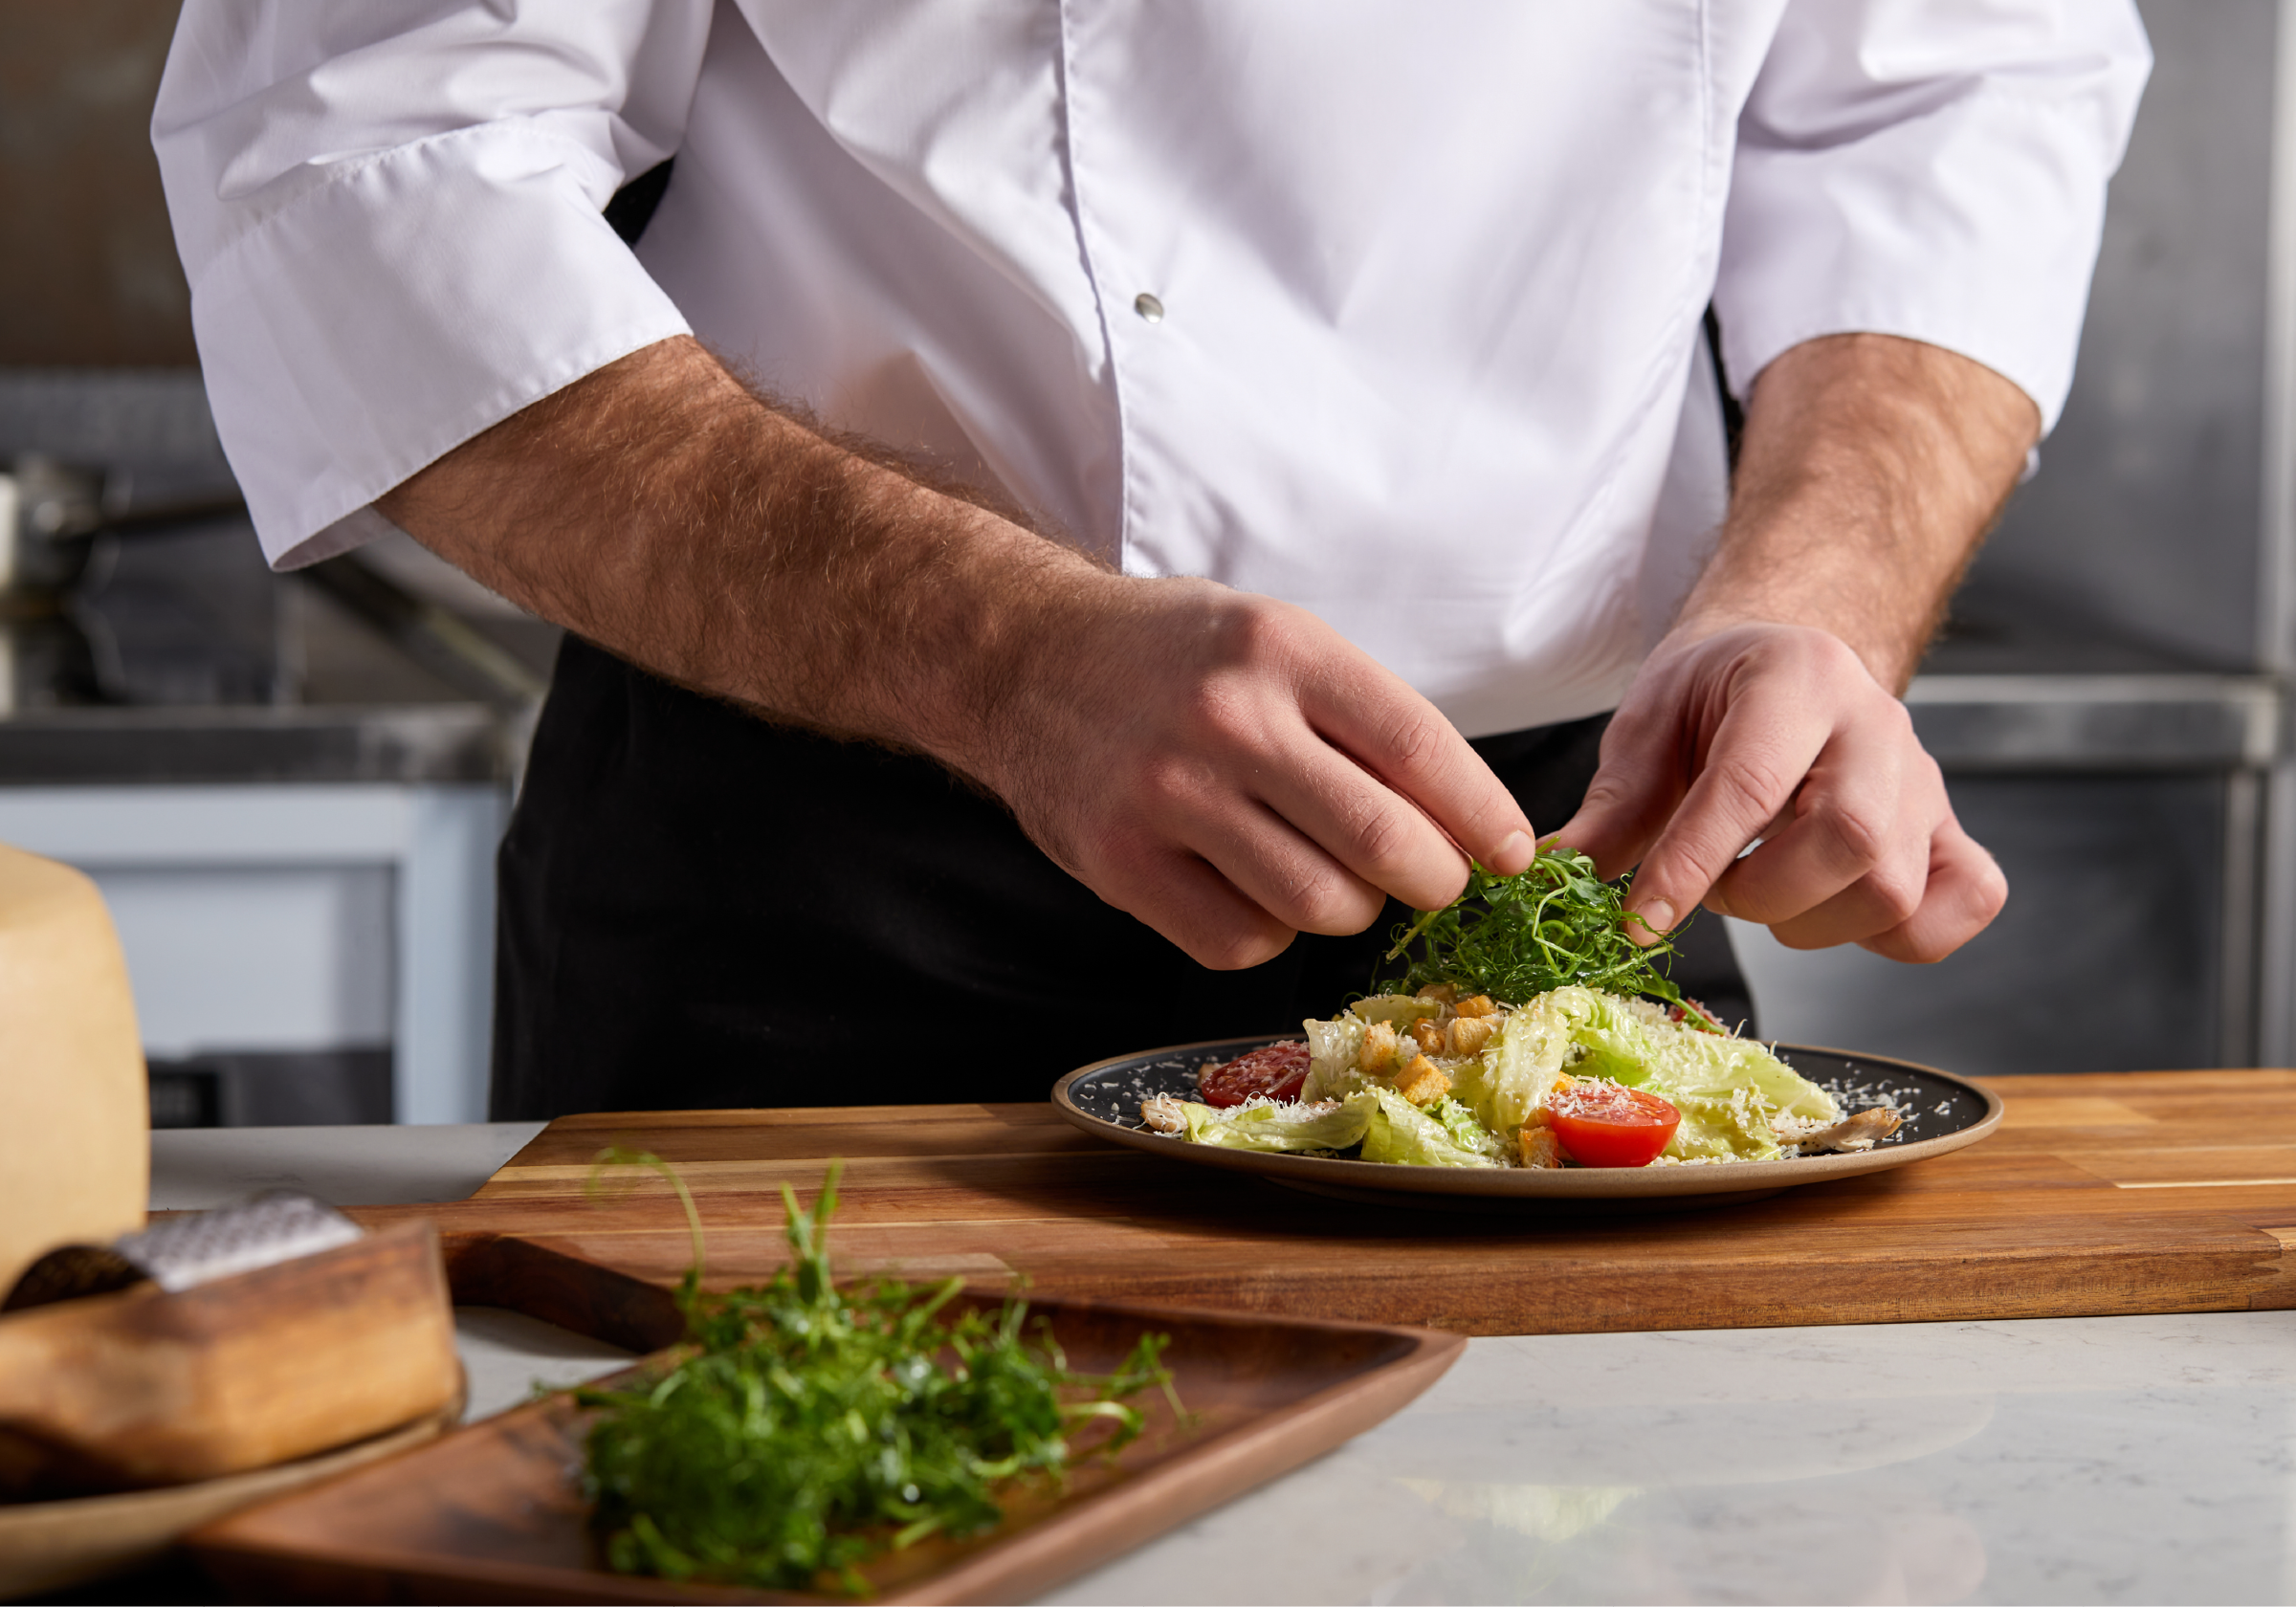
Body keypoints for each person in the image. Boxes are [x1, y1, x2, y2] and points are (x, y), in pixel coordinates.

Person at [153, 5, 2150, 1117]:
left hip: (1579, 870)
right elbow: (347, 155)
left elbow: (1959, 87)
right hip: (836, 867)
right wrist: (998, 654)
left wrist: (1814, 596)